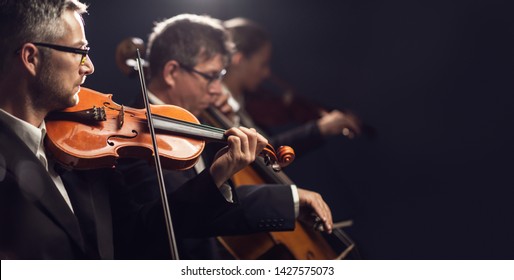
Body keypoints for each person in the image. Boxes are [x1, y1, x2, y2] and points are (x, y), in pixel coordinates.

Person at [0, 0, 331, 259]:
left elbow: (139, 231)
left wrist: (217, 176)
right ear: (31, 58)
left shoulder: (78, 148)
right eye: (80, 52)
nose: (90, 66)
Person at [117, 14, 334, 259]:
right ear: (171, 72)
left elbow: (218, 199)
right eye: (210, 77)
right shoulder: (136, 140)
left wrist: (290, 200)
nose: (218, 89)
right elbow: (173, 220)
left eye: (221, 77)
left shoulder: (198, 122)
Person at [221, 17, 363, 155]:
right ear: (238, 59)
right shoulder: (218, 104)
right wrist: (319, 129)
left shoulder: (243, 102)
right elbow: (263, 154)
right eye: (263, 64)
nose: (267, 73)